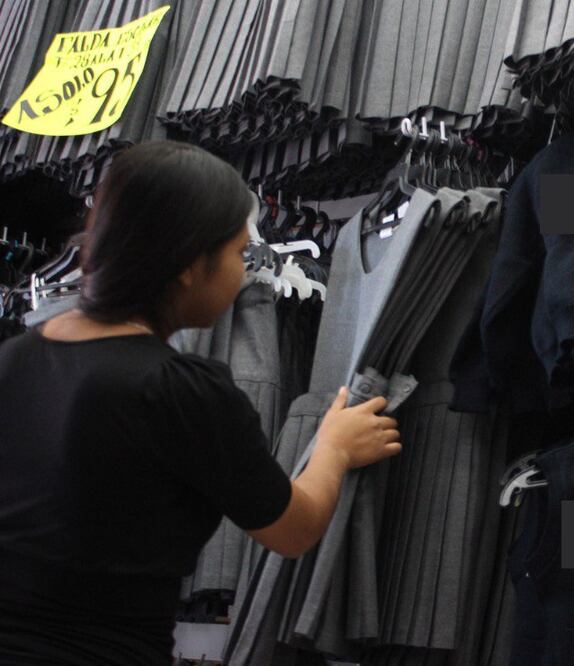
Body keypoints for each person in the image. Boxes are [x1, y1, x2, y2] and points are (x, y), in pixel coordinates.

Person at [0, 141, 402, 664]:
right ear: (192, 264)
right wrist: (334, 448)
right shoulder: (180, 389)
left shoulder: (12, 358)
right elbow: (293, 529)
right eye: (238, 254)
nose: (245, 272)